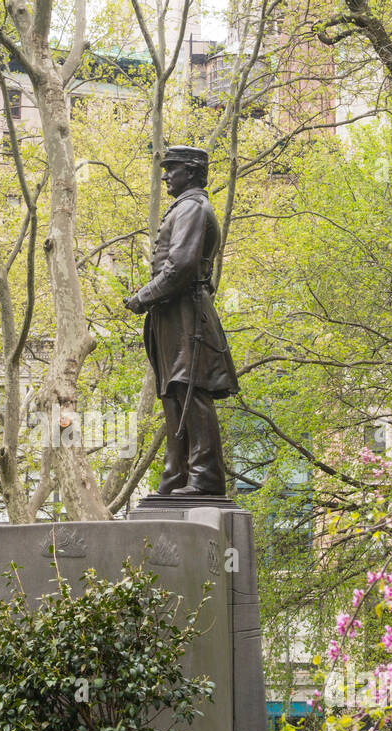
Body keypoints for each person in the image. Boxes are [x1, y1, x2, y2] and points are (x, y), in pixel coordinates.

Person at [124, 145, 239, 496]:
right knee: (174, 391)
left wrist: (144, 295)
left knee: (189, 388)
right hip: (173, 313)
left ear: (190, 171)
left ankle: (204, 476)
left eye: (171, 168)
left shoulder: (192, 207)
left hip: (187, 313)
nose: (165, 175)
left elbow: (182, 265)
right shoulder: (186, 206)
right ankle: (177, 474)